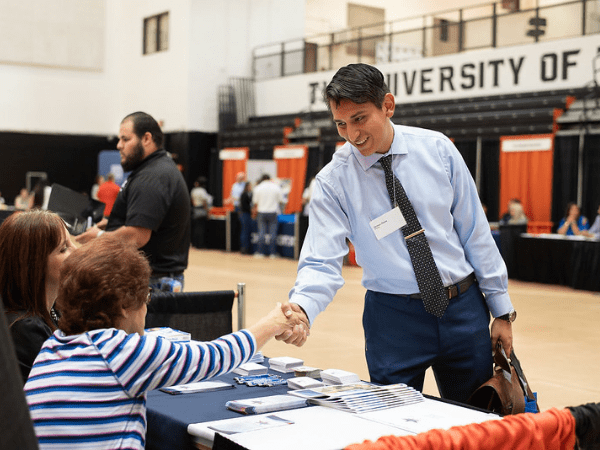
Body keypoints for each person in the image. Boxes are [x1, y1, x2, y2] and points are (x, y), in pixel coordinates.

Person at [279, 63, 515, 404]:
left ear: (387, 105)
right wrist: (302, 307)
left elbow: (475, 232)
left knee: (476, 421)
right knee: (394, 423)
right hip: (392, 321)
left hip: (462, 310)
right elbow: (320, 259)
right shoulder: (333, 182)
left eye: (360, 119)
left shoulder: (438, 150)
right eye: (341, 124)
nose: (352, 135)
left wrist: (502, 311)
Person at [24, 235, 302, 450]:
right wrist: (273, 322)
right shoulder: (118, 351)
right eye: (144, 300)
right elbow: (215, 356)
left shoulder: (55, 345)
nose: (146, 310)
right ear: (123, 306)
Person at [75, 112, 191, 291]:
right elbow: (143, 220)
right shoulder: (152, 170)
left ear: (146, 138)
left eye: (125, 139)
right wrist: (110, 224)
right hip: (151, 279)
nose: (119, 145)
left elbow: (137, 235)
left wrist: (98, 238)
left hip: (152, 283)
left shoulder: (153, 176)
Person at [0, 210, 76, 383]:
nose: (76, 251)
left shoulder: (49, 309)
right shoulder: (25, 329)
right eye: (64, 248)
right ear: (34, 264)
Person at [252, 174, 285, 259]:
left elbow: (255, 202)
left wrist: (254, 213)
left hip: (261, 212)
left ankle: (260, 252)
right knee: (273, 233)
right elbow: (281, 201)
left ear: (262, 179)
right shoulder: (276, 187)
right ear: (269, 179)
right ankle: (273, 253)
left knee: (261, 232)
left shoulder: (258, 188)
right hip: (273, 212)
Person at [190, 176, 213, 248]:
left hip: (195, 208)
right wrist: (207, 212)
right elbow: (204, 202)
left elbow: (192, 201)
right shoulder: (202, 191)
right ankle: (200, 244)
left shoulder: (193, 190)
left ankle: (195, 243)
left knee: (196, 227)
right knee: (201, 228)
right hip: (201, 209)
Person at [239, 181, 253, 254]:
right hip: (245, 214)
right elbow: (245, 206)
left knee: (246, 231)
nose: (251, 188)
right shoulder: (244, 195)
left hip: (246, 214)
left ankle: (246, 247)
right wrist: (251, 210)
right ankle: (244, 247)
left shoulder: (248, 194)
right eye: (250, 186)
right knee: (245, 231)